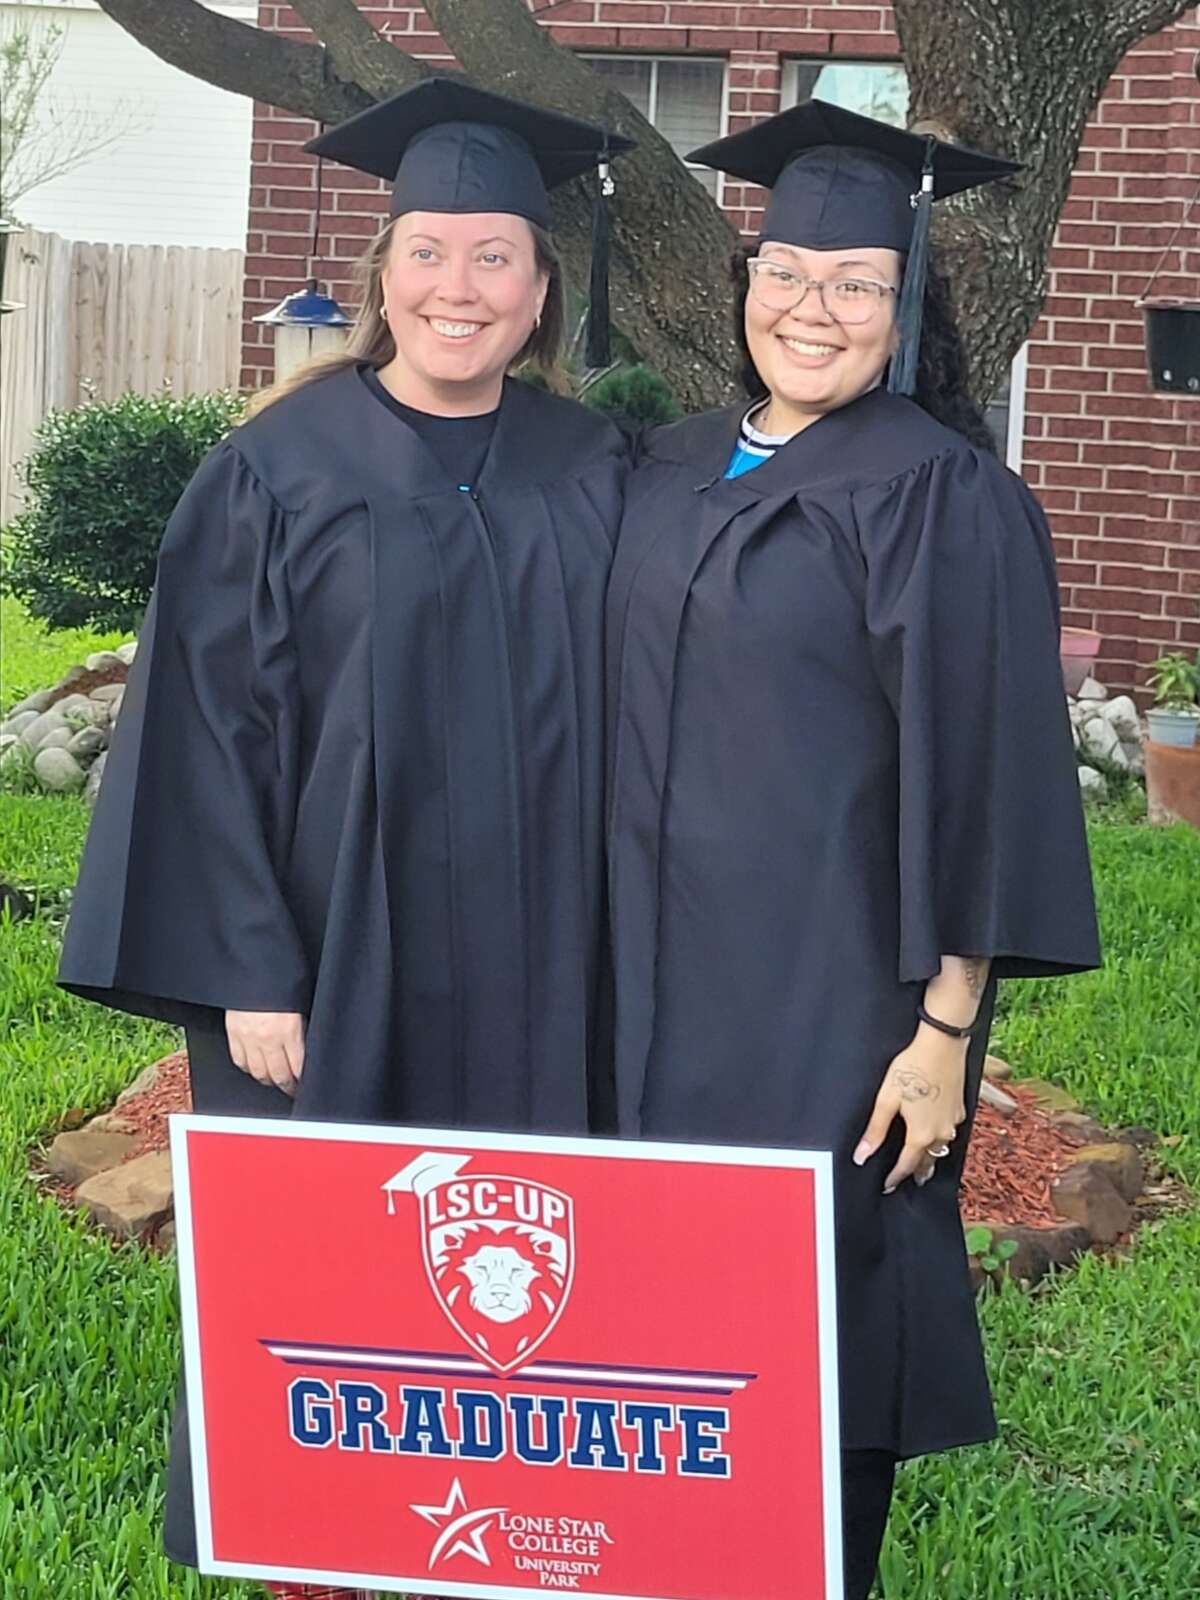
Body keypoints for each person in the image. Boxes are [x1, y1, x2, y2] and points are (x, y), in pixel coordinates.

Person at [58, 78, 632, 1596]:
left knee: (517, 1254)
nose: (461, 286)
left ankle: (504, 1532)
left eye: (495, 255)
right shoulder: (276, 468)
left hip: (538, 954)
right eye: (430, 251)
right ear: (383, 275)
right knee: (324, 1262)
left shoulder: (597, 471)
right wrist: (252, 966)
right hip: (328, 951)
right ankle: (314, 1537)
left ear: (541, 286)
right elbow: (201, 736)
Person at [605, 100, 1100, 1600]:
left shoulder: (947, 498)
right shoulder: (662, 460)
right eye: (787, 272)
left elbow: (988, 786)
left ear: (907, 307)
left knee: (811, 1327)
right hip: (633, 986)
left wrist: (947, 1029)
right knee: (649, 1337)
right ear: (741, 281)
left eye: (857, 284)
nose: (812, 308)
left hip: (826, 1003)